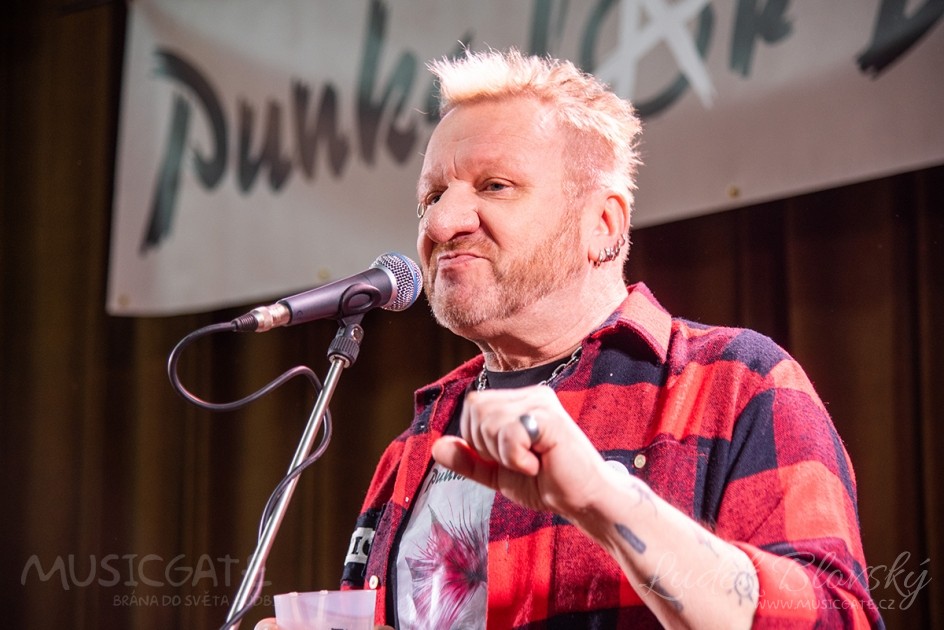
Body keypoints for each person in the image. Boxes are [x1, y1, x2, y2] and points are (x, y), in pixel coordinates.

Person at [261, 48, 884, 629]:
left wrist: (606, 501)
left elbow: (833, 619)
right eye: (432, 196)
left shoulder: (735, 384)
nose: (443, 222)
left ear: (603, 224)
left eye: (495, 186)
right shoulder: (413, 446)